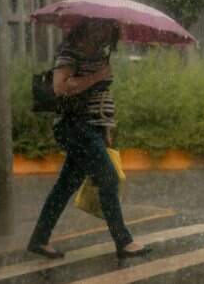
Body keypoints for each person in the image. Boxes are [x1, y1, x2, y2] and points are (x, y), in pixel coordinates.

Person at [28, 18, 151, 260]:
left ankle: (39, 239)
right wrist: (97, 76)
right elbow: (60, 87)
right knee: (108, 177)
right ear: (90, 25)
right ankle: (123, 241)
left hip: (93, 127)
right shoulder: (70, 51)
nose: (109, 34)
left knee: (65, 186)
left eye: (112, 30)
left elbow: (101, 95)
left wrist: (106, 128)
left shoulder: (98, 53)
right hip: (73, 126)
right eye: (105, 27)